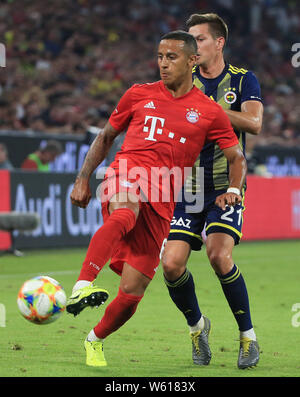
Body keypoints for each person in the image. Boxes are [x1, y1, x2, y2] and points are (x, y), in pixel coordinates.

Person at [66, 30, 247, 367]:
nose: (163, 64)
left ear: (193, 61)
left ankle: (95, 339)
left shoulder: (209, 112)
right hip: (127, 175)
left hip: (164, 198)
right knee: (124, 214)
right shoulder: (138, 94)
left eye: (172, 57)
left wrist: (233, 189)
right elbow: (106, 136)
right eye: (160, 56)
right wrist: (83, 179)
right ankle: (82, 285)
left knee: (132, 292)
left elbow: (237, 157)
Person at [161, 13, 264, 369]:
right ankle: (198, 326)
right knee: (171, 265)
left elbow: (254, 122)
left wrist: (211, 110)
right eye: (189, 40)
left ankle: (248, 338)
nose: (193, 46)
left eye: (199, 39)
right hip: (188, 187)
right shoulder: (179, 82)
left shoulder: (242, 79)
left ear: (218, 42)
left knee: (219, 256)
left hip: (227, 186)